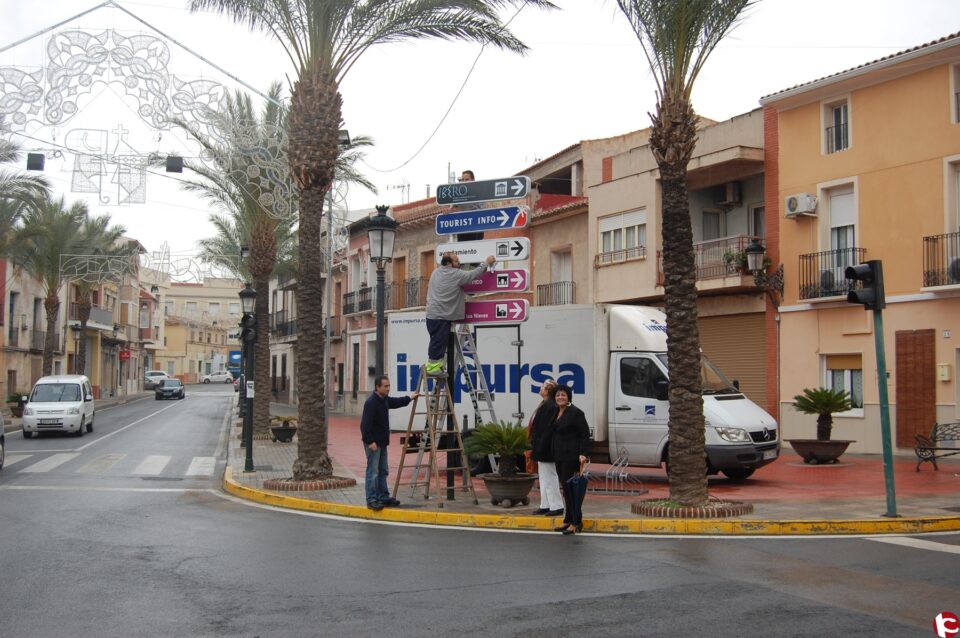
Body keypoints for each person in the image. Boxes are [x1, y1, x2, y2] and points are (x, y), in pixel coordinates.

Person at [424, 252, 495, 375]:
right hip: (441, 315)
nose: (459, 263)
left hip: (432, 314)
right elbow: (473, 275)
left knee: (437, 341)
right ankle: (433, 368)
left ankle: (436, 366)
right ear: (449, 264)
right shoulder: (455, 274)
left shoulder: (436, 272)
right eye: (456, 261)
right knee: (438, 342)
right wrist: (486, 263)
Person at [360, 375, 419, 511]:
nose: (388, 388)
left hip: (382, 443)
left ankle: (383, 497)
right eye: (385, 386)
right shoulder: (371, 403)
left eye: (389, 385)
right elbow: (364, 426)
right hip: (373, 443)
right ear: (377, 387)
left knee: (383, 471)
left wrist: (410, 398)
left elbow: (396, 402)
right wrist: (370, 442)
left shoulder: (384, 400)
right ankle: (372, 499)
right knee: (373, 472)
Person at [550, 384, 590, 535]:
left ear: (568, 397)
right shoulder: (556, 411)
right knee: (565, 490)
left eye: (563, 395)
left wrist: (583, 453)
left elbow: (584, 434)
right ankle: (567, 520)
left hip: (571, 455)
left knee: (572, 490)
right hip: (559, 455)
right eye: (558, 395)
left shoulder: (576, 413)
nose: (560, 397)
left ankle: (576, 522)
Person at [528, 379, 563, 516]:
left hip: (546, 448)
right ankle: (546, 504)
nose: (540, 388)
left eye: (543, 386)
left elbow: (547, 429)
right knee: (544, 477)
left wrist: (541, 445)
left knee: (550, 477)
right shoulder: (546, 404)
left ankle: (556, 506)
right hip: (542, 446)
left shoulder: (550, 405)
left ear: (548, 390)